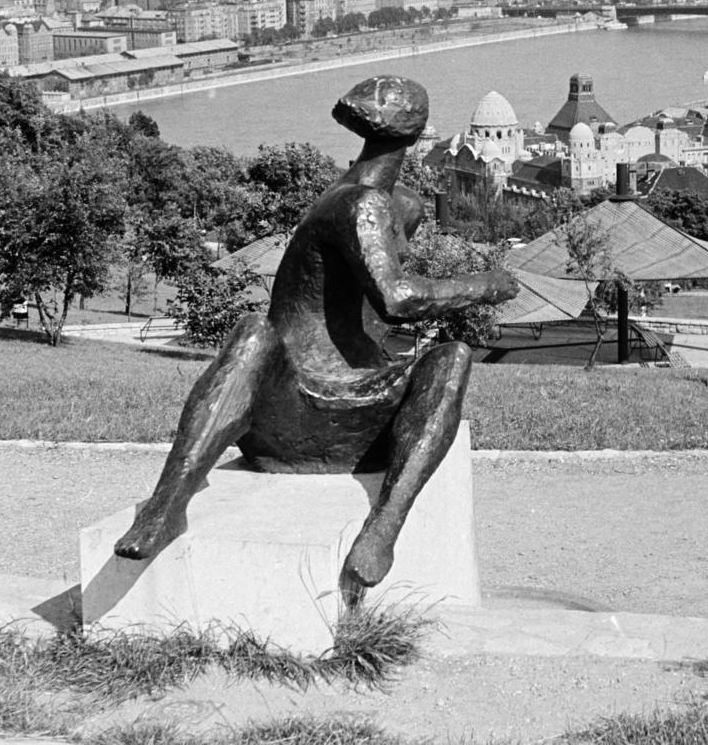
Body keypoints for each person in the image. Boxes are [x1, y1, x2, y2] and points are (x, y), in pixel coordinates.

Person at [114, 76, 518, 604]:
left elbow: (368, 306)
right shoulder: (359, 204)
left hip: (354, 418)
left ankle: (384, 525)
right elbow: (395, 299)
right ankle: (167, 506)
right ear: (416, 136)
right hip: (288, 416)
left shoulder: (401, 206)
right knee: (255, 333)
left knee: (451, 359)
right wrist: (483, 285)